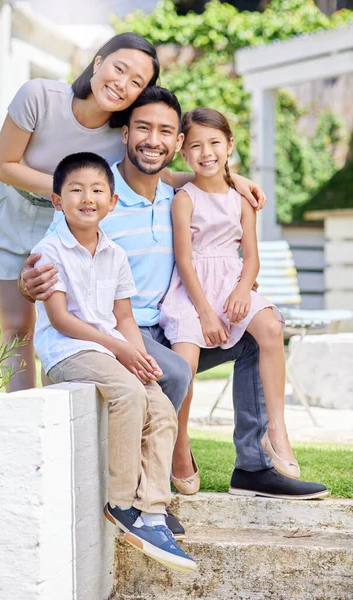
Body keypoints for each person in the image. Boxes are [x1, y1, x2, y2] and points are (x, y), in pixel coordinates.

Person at [24, 87, 328, 513]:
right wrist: (29, 278)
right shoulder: (98, 193)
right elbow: (53, 252)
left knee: (259, 336)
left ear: (177, 143)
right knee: (172, 370)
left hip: (174, 323)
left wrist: (234, 178)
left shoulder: (176, 193)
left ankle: (255, 467)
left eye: (166, 131)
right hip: (127, 329)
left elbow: (207, 179)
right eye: (144, 128)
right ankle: (159, 483)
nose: (154, 140)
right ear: (125, 133)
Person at [0, 32, 265, 393]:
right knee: (17, 327)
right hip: (8, 212)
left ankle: (58, 421)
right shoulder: (39, 97)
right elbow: (5, 165)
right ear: (98, 62)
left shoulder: (120, 136)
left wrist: (229, 178)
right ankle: (23, 425)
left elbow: (167, 173)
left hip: (64, 216)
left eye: (136, 82)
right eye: (119, 69)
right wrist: (72, 188)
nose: (122, 84)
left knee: (63, 319)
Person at [32, 151, 197, 573]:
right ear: (57, 200)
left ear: (112, 203)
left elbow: (124, 316)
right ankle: (122, 501)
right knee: (127, 394)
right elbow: (61, 319)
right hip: (69, 350)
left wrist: (136, 351)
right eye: (76, 190)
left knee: (160, 404)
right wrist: (121, 349)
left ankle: (153, 510)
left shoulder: (115, 254)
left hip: (110, 348)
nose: (87, 198)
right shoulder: (49, 250)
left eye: (97, 190)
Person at [160, 108, 300, 489]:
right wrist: (205, 312)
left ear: (230, 146)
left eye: (215, 143)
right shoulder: (184, 198)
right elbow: (185, 261)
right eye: (196, 146)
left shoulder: (241, 199)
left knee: (270, 326)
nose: (207, 153)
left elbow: (251, 257)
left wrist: (241, 288)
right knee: (184, 362)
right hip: (193, 292)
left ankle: (277, 430)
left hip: (232, 282)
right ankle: (179, 442)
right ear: (183, 152)